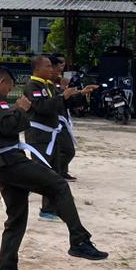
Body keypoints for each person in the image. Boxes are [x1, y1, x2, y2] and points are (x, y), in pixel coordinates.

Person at [0, 66, 107, 270]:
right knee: (58, 185)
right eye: (9, 88)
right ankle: (79, 240)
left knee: (16, 217)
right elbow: (8, 126)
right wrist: (21, 109)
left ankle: (6, 267)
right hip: (10, 160)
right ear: (2, 82)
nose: (8, 92)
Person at [48, 54, 97, 182]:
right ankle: (54, 172)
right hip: (53, 122)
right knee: (66, 150)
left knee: (63, 149)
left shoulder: (59, 81)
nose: (62, 66)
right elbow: (53, 102)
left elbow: (67, 101)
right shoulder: (45, 84)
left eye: (63, 63)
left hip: (62, 119)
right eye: (60, 64)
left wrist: (81, 93)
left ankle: (61, 171)